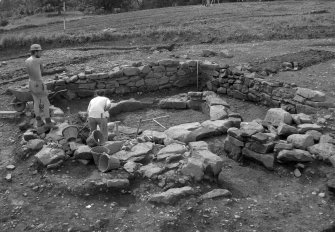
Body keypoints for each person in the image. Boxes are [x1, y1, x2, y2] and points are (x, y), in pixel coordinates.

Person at [25, 44, 57, 129]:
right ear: (35, 52)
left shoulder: (27, 60)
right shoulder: (38, 60)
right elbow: (42, 70)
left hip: (31, 82)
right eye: (40, 51)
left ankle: (39, 121)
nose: (41, 53)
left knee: (36, 102)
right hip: (38, 83)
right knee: (46, 103)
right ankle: (48, 121)